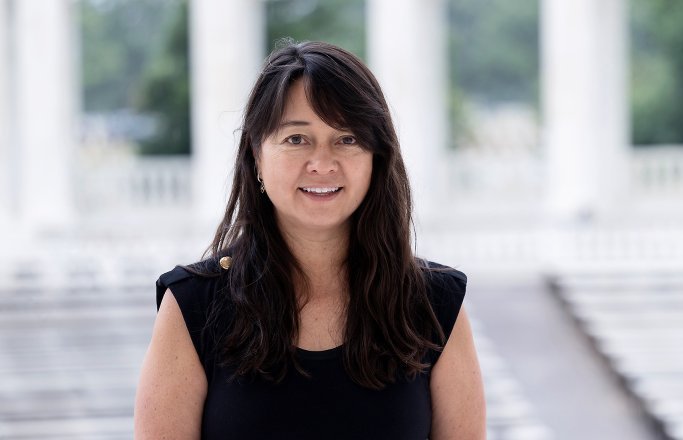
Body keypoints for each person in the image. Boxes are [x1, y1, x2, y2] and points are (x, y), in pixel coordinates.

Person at [134, 40, 485, 439]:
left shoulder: (435, 305)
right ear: (256, 155)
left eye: (347, 139)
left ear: (377, 156)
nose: (322, 163)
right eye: (296, 139)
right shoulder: (194, 306)